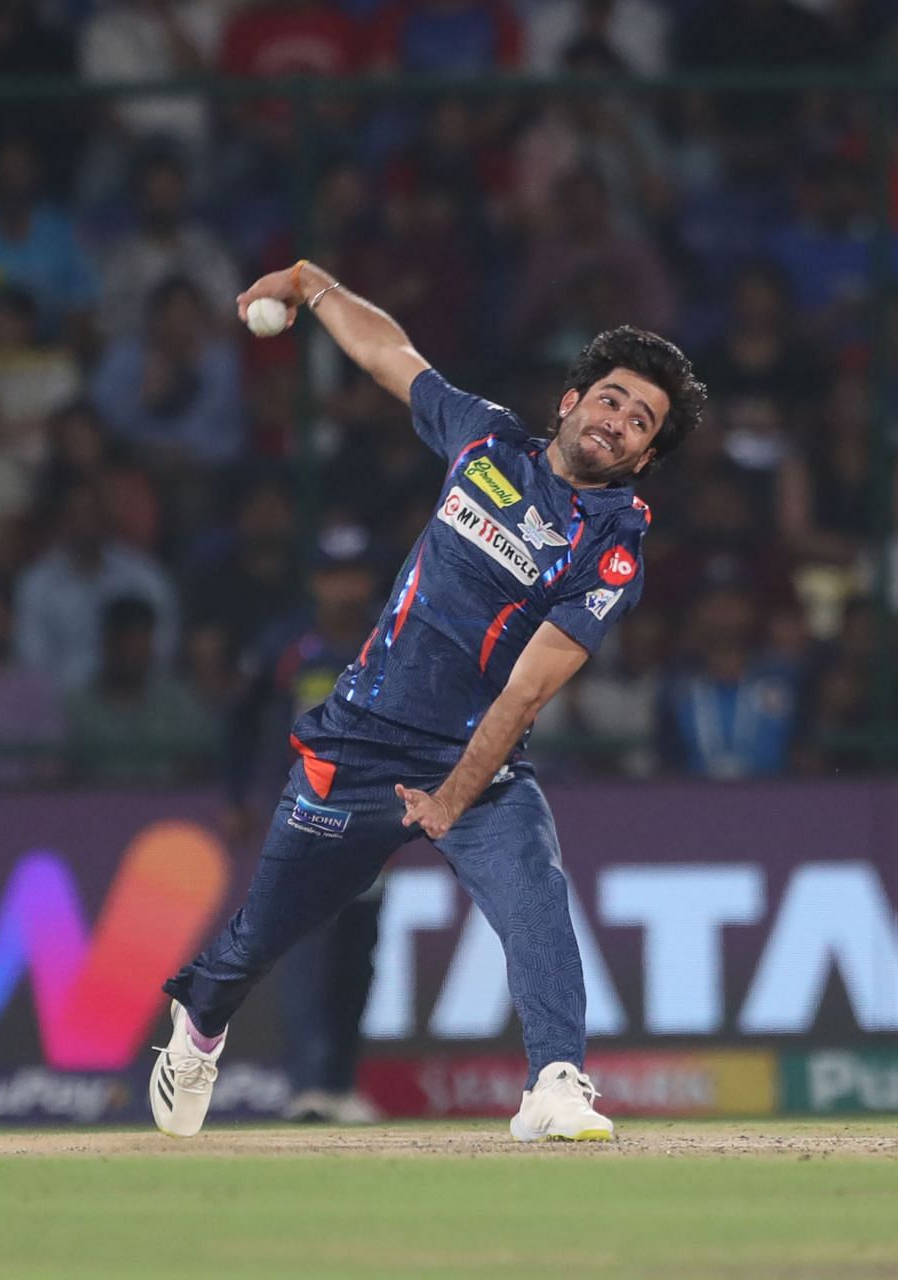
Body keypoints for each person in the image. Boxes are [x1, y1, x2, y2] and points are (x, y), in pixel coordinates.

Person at [151, 260, 705, 1144]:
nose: (618, 421)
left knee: (536, 894)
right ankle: (198, 1029)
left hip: (475, 766)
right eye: (610, 399)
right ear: (569, 402)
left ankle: (556, 1082)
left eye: (641, 423)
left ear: (642, 460)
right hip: (357, 746)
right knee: (257, 940)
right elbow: (391, 356)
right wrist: (311, 283)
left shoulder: (611, 548)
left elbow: (528, 689)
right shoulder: (486, 442)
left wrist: (452, 796)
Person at [227, 524, 386, 1124]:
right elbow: (239, 722)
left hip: (373, 821)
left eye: (355, 575)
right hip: (300, 818)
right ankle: (307, 1086)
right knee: (306, 954)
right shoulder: (285, 644)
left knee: (358, 958)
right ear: (315, 581)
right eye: (332, 575)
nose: (344, 588)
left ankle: (341, 1085)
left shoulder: (390, 636)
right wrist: (236, 794)